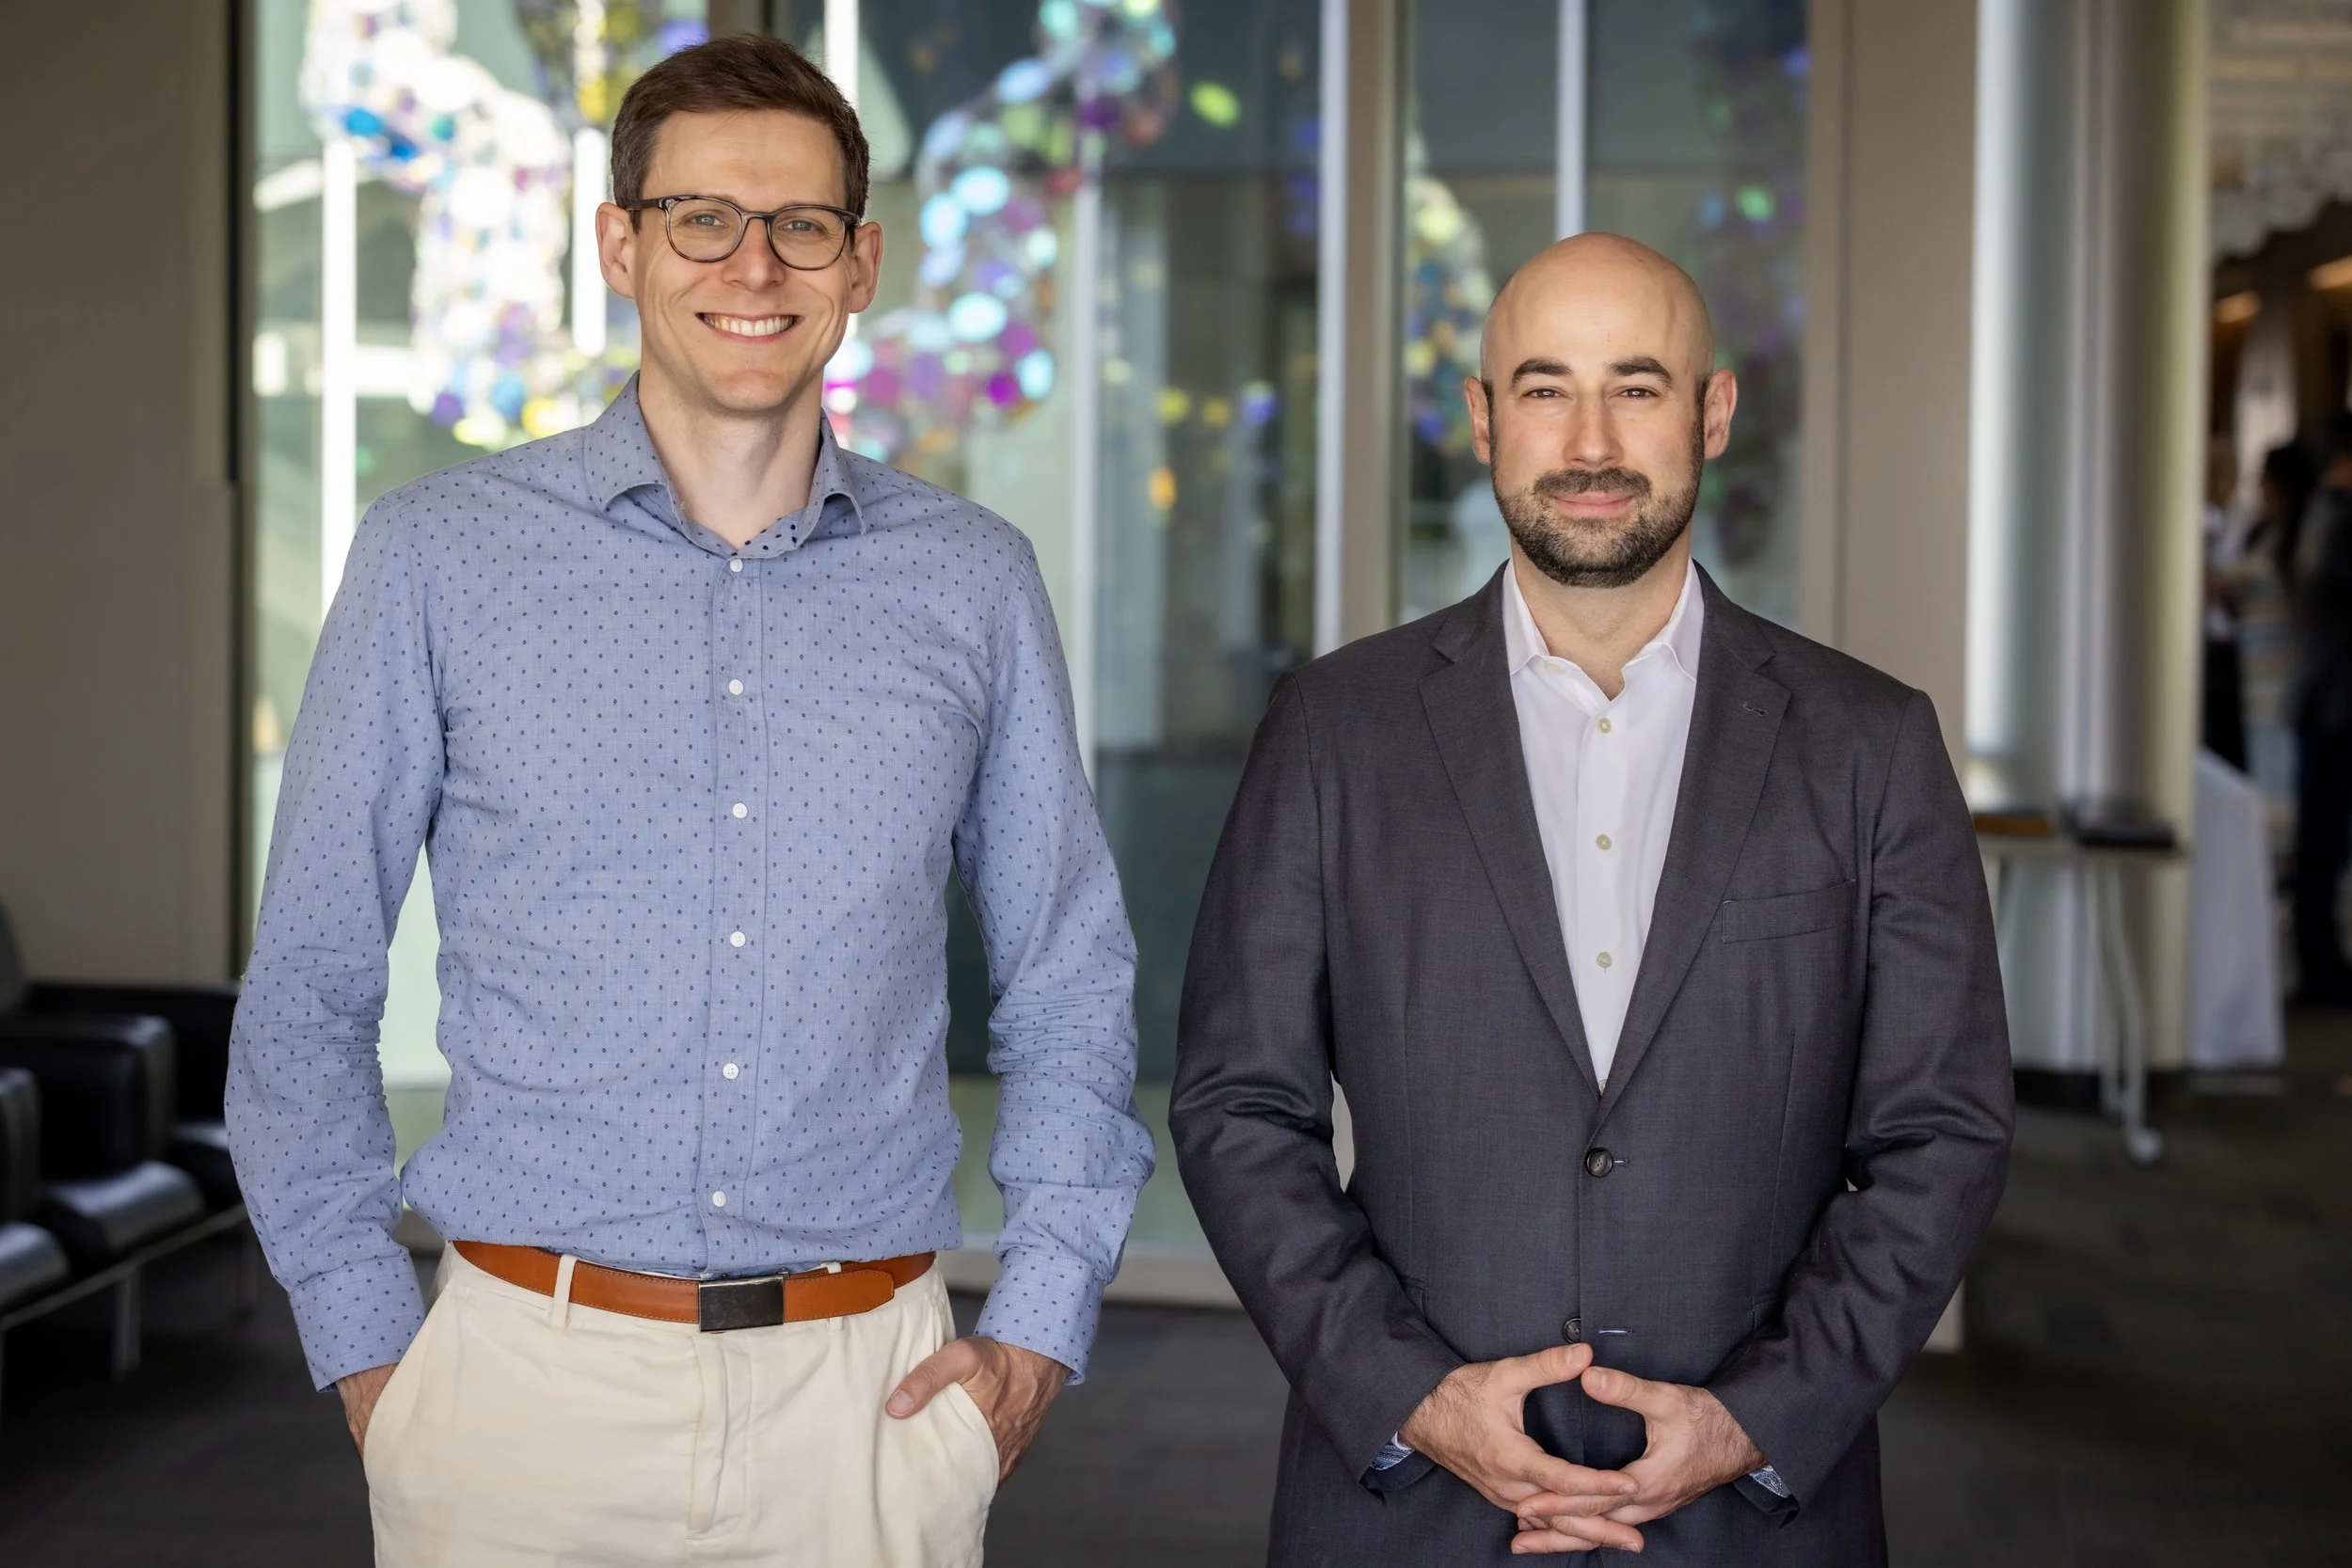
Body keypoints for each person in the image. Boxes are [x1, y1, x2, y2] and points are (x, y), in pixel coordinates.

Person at [228, 35, 1153, 1566]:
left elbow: (1068, 980)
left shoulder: (974, 582)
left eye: (801, 225)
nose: (754, 264)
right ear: (621, 244)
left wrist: (1042, 1323)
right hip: (518, 1395)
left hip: (872, 1405)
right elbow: (307, 987)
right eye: (701, 218)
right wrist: (378, 1361)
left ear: (861, 265)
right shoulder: (437, 559)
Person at [1170, 233, 2014, 1563]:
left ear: (1712, 412)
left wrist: (1757, 1416)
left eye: (1637, 384)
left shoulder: (1870, 743)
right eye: (1548, 387)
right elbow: (1240, 1103)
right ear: (1486, 419)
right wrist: (1414, 1397)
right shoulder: (1335, 727)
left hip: (1753, 1514)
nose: (1591, 439)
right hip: (1407, 1507)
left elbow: (1942, 1129)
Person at [2289, 411, 2352, 1005]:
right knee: (2323, 849)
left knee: (2323, 847)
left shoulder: (2323, 513)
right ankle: (2321, 970)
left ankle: (2323, 965)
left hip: (2325, 702)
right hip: (2334, 706)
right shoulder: (2338, 519)